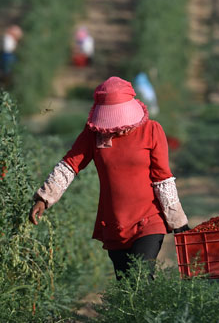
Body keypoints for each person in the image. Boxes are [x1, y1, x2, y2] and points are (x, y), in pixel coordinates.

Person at [28, 76, 190, 278]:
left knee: (140, 277)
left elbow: (162, 178)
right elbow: (69, 166)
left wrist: (178, 222)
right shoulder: (93, 135)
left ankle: (150, 307)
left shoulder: (151, 130)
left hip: (149, 220)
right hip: (114, 224)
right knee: (126, 286)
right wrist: (44, 198)